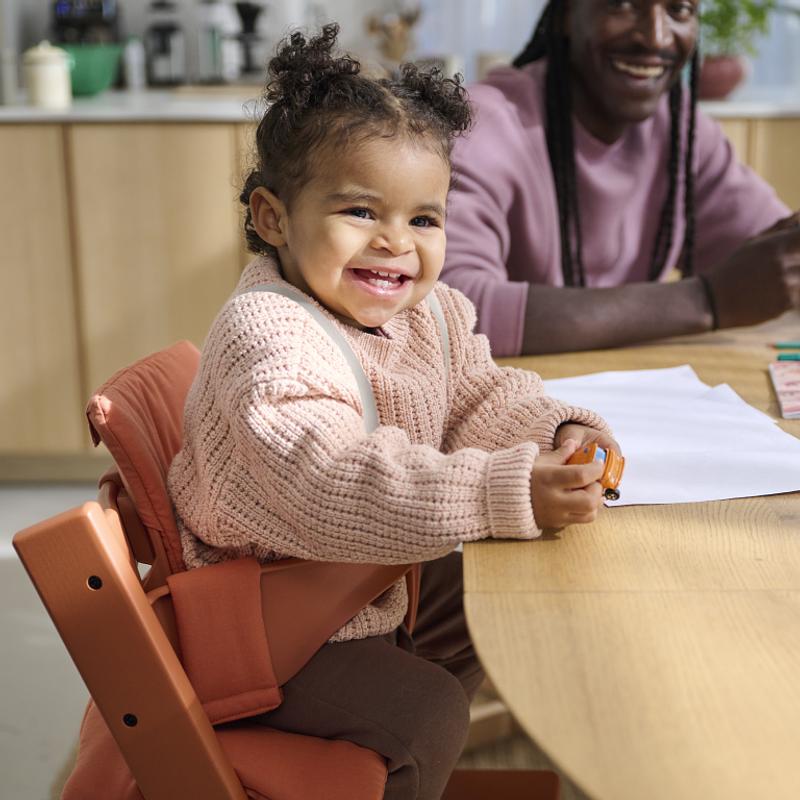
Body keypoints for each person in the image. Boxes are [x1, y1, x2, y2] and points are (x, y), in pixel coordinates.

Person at [168, 24, 619, 800]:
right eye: (359, 210)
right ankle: (399, 748)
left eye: (423, 219)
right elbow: (332, 481)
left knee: (494, 599)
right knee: (426, 715)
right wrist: (502, 489)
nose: (395, 244)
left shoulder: (428, 312)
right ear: (273, 218)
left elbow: (480, 398)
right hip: (267, 623)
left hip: (361, 581)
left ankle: (393, 710)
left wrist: (556, 431)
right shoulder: (268, 334)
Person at [441, 0, 800, 356]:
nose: (656, 37)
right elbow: (449, 310)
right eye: (623, 5)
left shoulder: (681, 131)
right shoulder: (479, 125)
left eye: (679, 9)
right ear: (566, 15)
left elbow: (778, 262)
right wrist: (706, 300)